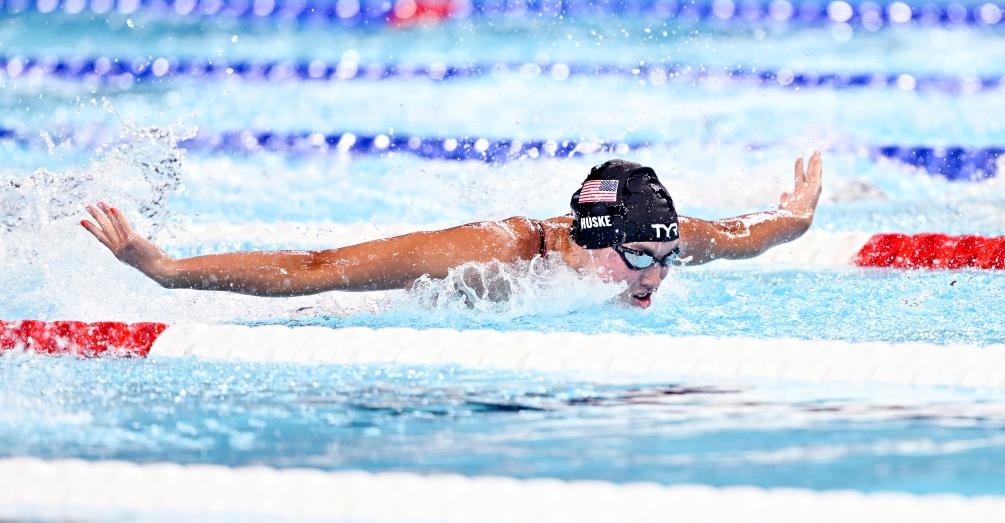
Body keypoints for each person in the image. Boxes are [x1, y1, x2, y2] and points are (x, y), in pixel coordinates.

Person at [82, 152, 823, 309]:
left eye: (666, 257)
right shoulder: (497, 251)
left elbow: (742, 233)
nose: (655, 274)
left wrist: (793, 216)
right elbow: (319, 266)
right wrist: (169, 270)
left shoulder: (655, 240)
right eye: (638, 256)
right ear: (587, 237)